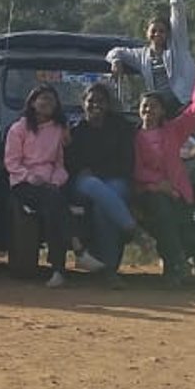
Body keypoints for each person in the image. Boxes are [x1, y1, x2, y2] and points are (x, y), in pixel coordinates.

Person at [134, 65, 195, 287]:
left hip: (178, 192)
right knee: (164, 214)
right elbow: (137, 169)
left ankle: (172, 272)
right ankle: (179, 264)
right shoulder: (134, 136)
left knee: (183, 228)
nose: (149, 110)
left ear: (162, 111)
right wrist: (158, 185)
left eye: (154, 106)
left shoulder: (173, 131)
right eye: (145, 106)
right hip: (148, 192)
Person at [67, 83, 137, 287]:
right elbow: (71, 163)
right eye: (91, 101)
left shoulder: (121, 127)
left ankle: (109, 270)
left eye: (100, 101)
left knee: (101, 208)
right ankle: (128, 224)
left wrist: (97, 171)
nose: (95, 105)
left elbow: (126, 162)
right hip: (85, 184)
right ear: (83, 104)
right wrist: (87, 171)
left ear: (108, 105)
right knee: (92, 185)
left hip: (116, 180)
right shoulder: (76, 130)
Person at [3, 84, 74, 287]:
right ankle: (74, 250)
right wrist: (29, 176)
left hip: (51, 184)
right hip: (24, 184)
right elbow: (11, 163)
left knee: (54, 207)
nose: (46, 103)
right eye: (42, 99)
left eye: (51, 100)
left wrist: (55, 181)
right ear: (33, 103)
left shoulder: (58, 129)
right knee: (56, 203)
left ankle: (58, 270)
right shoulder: (19, 129)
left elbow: (59, 164)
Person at [107, 0, 195, 111]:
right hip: (159, 109)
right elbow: (115, 51)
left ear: (167, 33)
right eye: (153, 31)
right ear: (146, 33)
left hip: (182, 103)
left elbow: (178, 18)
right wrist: (116, 61)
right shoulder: (141, 55)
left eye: (162, 31)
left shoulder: (177, 47)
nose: (157, 34)